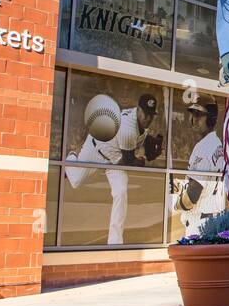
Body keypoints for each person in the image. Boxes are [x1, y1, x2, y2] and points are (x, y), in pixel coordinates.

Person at [65, 93, 162, 244]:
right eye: (146, 114)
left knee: (121, 192)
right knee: (75, 181)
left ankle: (115, 241)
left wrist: (153, 143)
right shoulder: (128, 128)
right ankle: (71, 158)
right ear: (138, 110)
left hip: (115, 158)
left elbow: (142, 139)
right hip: (97, 149)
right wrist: (144, 159)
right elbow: (128, 162)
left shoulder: (141, 124)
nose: (148, 118)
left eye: (151, 115)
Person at [173, 102, 225, 236]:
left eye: (199, 115)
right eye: (193, 115)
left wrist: (175, 204)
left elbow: (193, 194)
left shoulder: (205, 147)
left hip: (199, 222)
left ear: (211, 119)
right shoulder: (216, 143)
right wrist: (182, 184)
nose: (194, 119)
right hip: (210, 218)